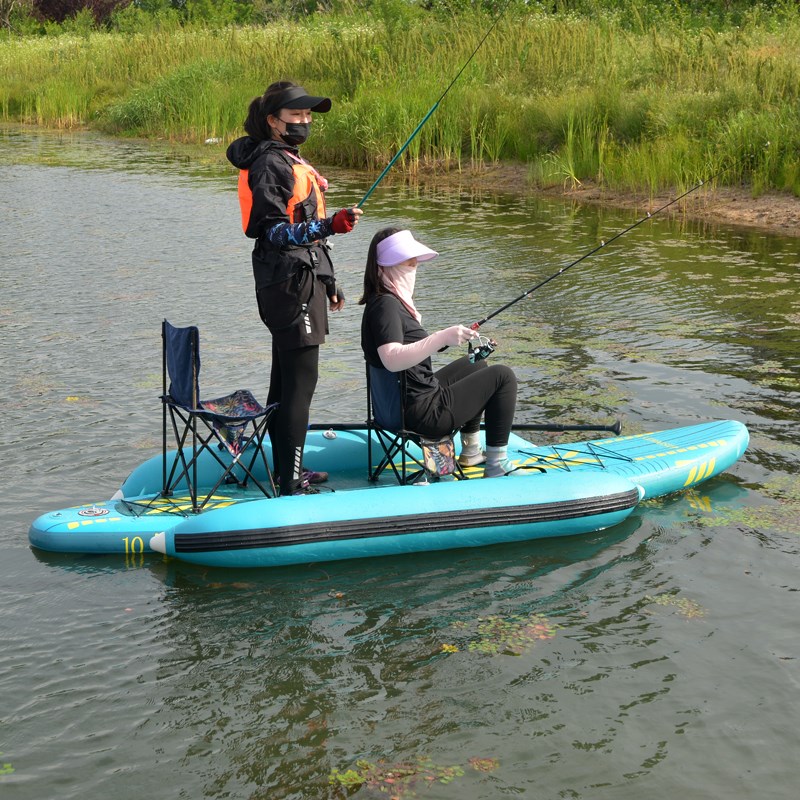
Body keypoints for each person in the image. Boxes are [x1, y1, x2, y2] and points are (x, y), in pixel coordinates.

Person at [227, 81, 363, 496]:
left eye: (308, 116)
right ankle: (289, 482)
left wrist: (329, 281)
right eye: (296, 116)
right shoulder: (271, 164)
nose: (304, 122)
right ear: (273, 121)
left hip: (302, 280)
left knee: (285, 382)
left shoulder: (286, 157)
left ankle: (285, 470)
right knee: (300, 385)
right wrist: (328, 223)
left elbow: (304, 234)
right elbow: (272, 233)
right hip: (288, 284)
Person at [360, 227, 518, 478]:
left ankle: (471, 452)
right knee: (503, 376)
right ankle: (497, 464)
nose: (414, 271)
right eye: (409, 265)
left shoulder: (384, 301)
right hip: (422, 414)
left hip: (401, 405)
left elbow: (409, 347)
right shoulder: (386, 305)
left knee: (475, 364)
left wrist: (448, 339)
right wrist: (439, 337)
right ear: (387, 266)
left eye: (415, 265)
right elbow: (391, 359)